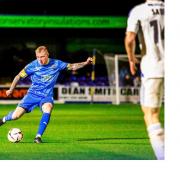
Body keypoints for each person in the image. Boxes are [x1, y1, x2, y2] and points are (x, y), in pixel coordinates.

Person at [0, 45, 93, 143]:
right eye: (38, 57)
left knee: (48, 108)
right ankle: (3, 119)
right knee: (15, 116)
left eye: (42, 57)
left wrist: (86, 63)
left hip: (46, 96)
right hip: (32, 95)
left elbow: (72, 66)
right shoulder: (32, 65)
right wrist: (11, 89)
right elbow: (18, 76)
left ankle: (38, 136)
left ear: (47, 55)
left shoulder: (56, 64)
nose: (40, 59)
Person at [124, 0, 164, 159]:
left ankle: (163, 159)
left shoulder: (139, 10)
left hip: (154, 66)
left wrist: (131, 59)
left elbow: (129, 39)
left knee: (151, 114)